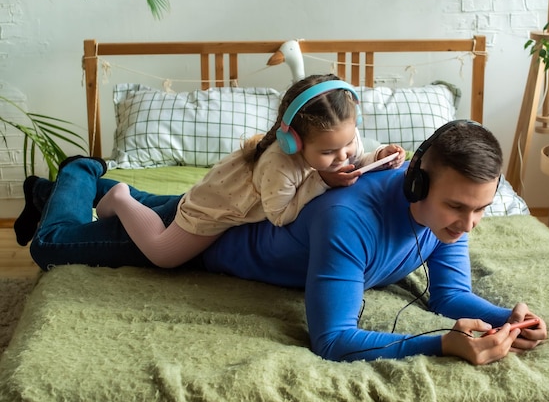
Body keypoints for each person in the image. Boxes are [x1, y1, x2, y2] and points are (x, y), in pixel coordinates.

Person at [20, 119, 548, 364]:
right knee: (54, 245)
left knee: (153, 206)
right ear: (416, 181)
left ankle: (106, 192)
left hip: (214, 208)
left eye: (481, 208)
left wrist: (507, 316)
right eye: (458, 208)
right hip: (205, 239)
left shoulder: (451, 218)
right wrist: (440, 343)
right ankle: (81, 172)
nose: (468, 225)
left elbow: (449, 296)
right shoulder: (348, 221)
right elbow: (333, 339)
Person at [91, 74, 405, 267]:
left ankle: (142, 202)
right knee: (162, 254)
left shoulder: (344, 137)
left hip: (238, 194)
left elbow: (356, 159)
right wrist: (322, 180)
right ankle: (121, 197)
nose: (343, 156)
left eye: (348, 142)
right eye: (328, 152)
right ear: (293, 142)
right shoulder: (278, 164)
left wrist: (381, 155)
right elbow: (280, 215)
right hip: (214, 208)